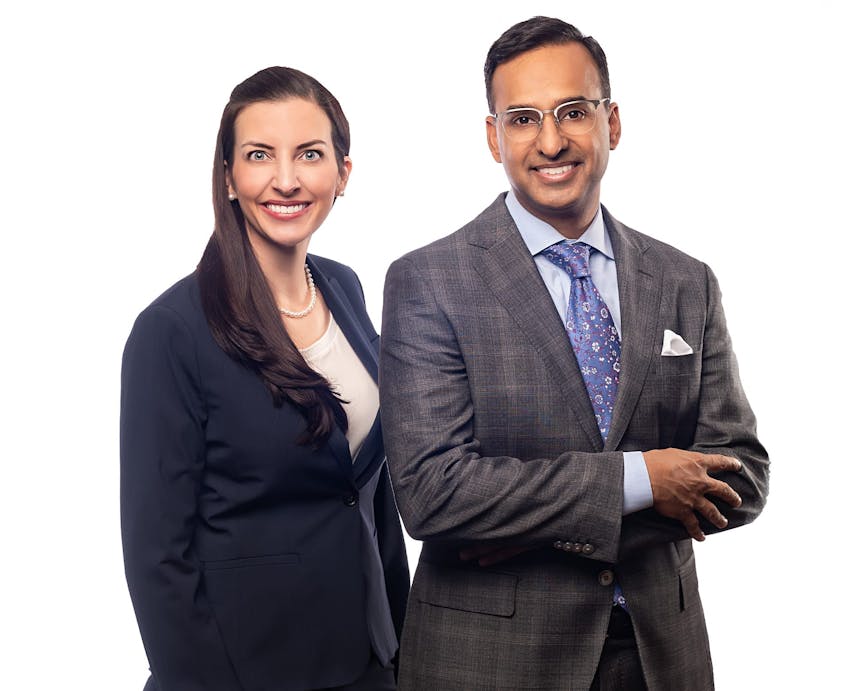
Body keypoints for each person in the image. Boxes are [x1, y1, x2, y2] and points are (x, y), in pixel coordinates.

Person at [379, 17, 768, 691]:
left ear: (611, 122)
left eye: (573, 112)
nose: (551, 140)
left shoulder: (685, 280)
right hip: (493, 664)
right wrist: (642, 480)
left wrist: (524, 530)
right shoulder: (429, 280)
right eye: (523, 118)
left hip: (659, 658)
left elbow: (743, 475)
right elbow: (433, 495)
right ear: (494, 135)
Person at [120, 66, 408, 691]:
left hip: (367, 657)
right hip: (246, 672)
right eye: (258, 156)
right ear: (228, 176)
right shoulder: (171, 330)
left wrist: (402, 647)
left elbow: (365, 486)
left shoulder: (344, 287)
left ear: (343, 173)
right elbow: (156, 559)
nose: (285, 180)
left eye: (310, 154)